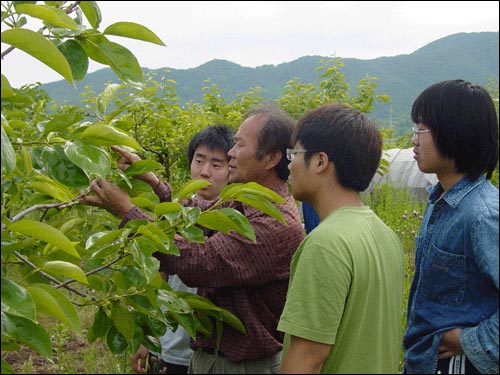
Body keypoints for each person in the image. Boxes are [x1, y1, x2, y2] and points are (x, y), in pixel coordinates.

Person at [81, 103, 305, 374]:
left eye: (239, 146)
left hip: (244, 367)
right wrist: (154, 182)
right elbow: (196, 216)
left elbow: (198, 260)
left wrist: (127, 211)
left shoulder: (273, 223)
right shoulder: (247, 201)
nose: (231, 153)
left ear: (270, 158)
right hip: (217, 359)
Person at [277, 103, 405, 373]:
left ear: (320, 161)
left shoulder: (325, 244)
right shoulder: (386, 235)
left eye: (294, 154)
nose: (289, 165)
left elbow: (307, 358)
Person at [403, 79, 499, 374]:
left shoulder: (483, 215)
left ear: (455, 132)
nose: (414, 140)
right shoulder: (439, 200)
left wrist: (469, 340)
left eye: (421, 129)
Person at [124, 125, 234, 374]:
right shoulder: (175, 212)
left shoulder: (234, 221)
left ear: (232, 170)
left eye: (217, 165)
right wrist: (146, 337)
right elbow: (159, 278)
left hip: (209, 351)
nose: (204, 172)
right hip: (169, 347)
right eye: (199, 161)